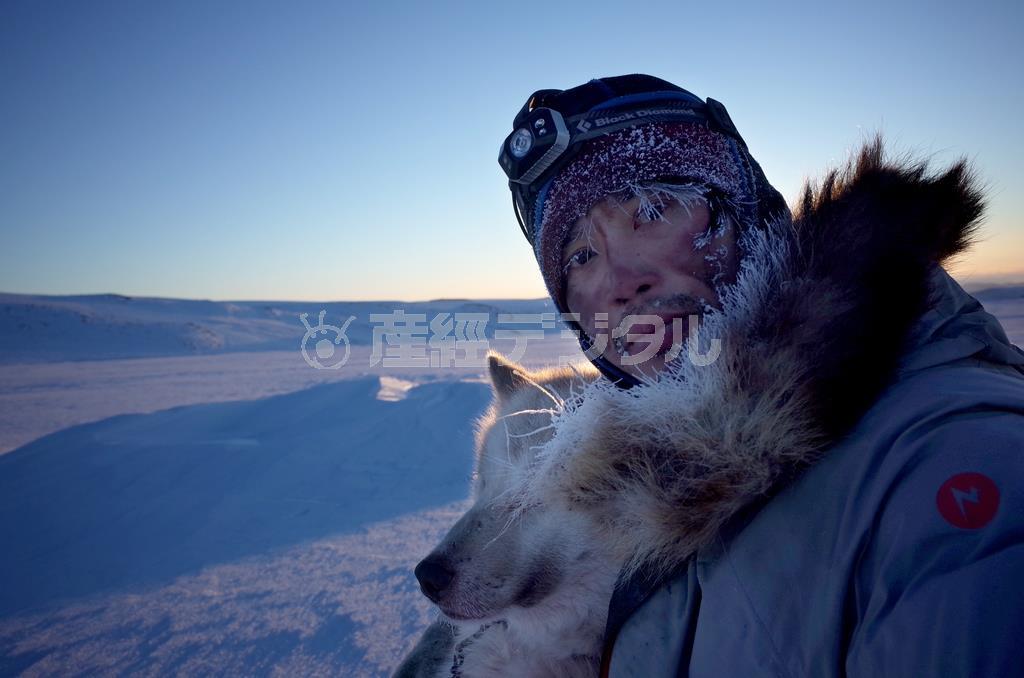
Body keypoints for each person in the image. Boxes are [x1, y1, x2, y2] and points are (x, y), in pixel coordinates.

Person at [497, 74, 1024, 676]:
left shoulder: (953, 464)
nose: (620, 283)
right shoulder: (660, 495)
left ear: (747, 218)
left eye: (653, 209)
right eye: (580, 256)